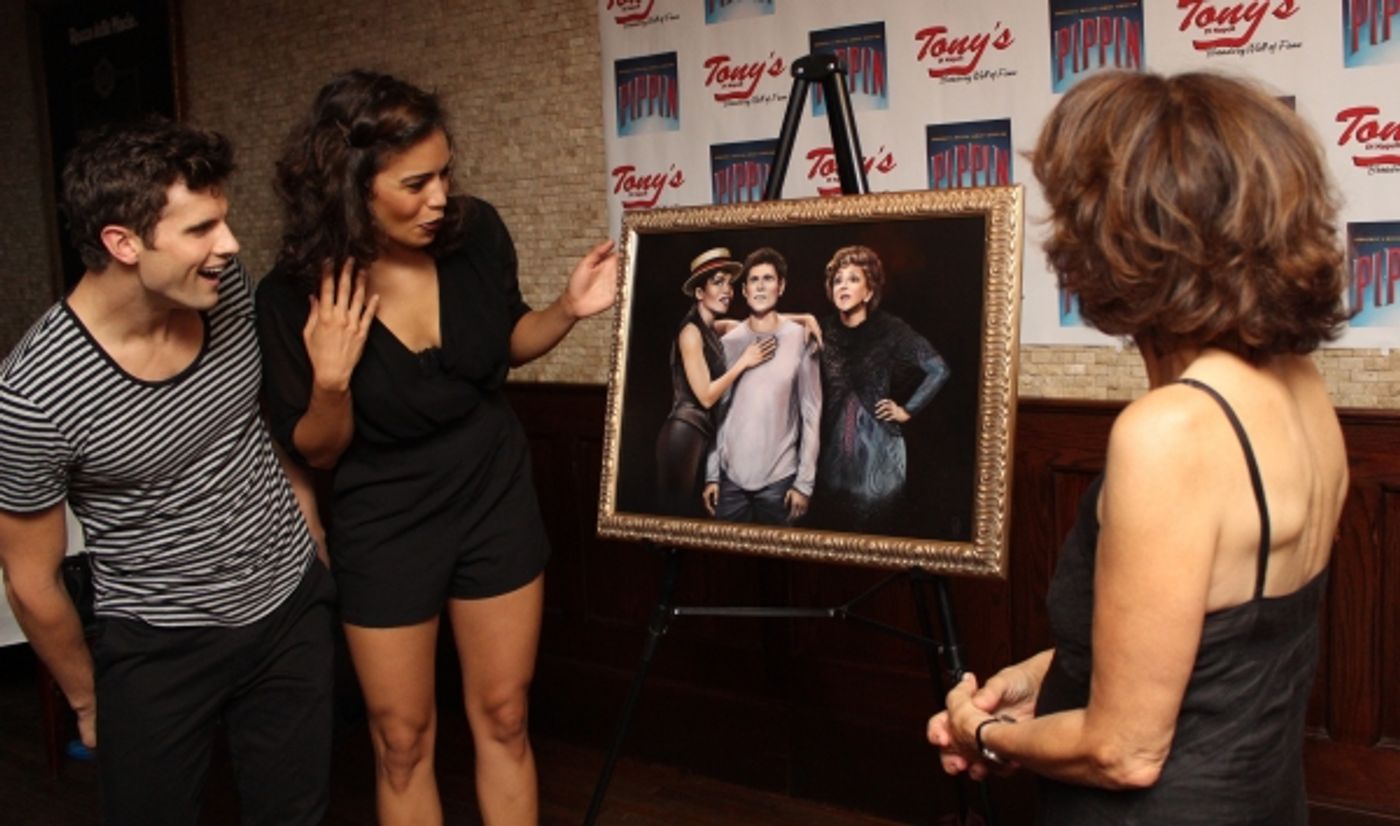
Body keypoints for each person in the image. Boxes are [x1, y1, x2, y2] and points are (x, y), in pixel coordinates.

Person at [927, 71, 1349, 824]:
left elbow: (1125, 751)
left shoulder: (1170, 430)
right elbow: (1216, 642)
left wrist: (981, 731)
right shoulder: (1300, 385)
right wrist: (1033, 680)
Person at [256, 69, 616, 826]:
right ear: (351, 187)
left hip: (492, 488)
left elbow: (505, 344)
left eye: (445, 173)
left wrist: (567, 311)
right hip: (384, 516)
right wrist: (329, 381)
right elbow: (320, 453)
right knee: (402, 740)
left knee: (506, 716)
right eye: (415, 183)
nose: (440, 198)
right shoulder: (293, 294)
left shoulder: (474, 233)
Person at [0, 118, 335, 825]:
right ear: (123, 243)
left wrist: (309, 534)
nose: (230, 245)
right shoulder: (34, 394)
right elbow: (31, 580)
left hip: (288, 609)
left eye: (227, 221)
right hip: (160, 647)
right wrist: (90, 702)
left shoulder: (222, 290)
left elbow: (257, 423)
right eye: (201, 228)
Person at [814, 245, 949, 529]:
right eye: (837, 280)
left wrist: (906, 411)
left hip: (879, 455)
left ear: (869, 290)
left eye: (853, 279)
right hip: (831, 455)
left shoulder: (891, 330)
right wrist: (802, 320)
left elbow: (938, 370)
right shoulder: (821, 330)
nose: (843, 286)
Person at [703, 247, 820, 525]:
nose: (760, 286)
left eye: (768, 279)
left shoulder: (802, 339)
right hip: (730, 482)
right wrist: (712, 475)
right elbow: (718, 413)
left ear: (781, 286)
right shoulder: (728, 342)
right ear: (743, 290)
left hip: (780, 481)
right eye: (754, 280)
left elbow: (812, 414)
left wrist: (804, 483)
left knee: (779, 567)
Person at [655, 247, 775, 516]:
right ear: (700, 293)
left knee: (688, 519)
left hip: (698, 435)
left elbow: (751, 325)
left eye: (729, 283)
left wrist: (804, 318)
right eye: (718, 282)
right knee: (673, 520)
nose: (728, 290)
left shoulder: (711, 327)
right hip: (682, 434)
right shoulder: (690, 333)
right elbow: (706, 396)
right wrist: (743, 362)